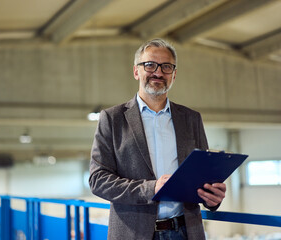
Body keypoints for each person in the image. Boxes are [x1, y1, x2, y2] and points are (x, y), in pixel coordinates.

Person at [89, 38, 226, 240]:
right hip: (133, 234)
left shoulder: (191, 119)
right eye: (150, 65)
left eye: (166, 67)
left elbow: (201, 175)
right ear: (136, 71)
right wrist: (150, 188)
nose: (158, 72)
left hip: (186, 232)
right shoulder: (112, 118)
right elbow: (98, 180)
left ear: (174, 74)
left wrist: (212, 197)